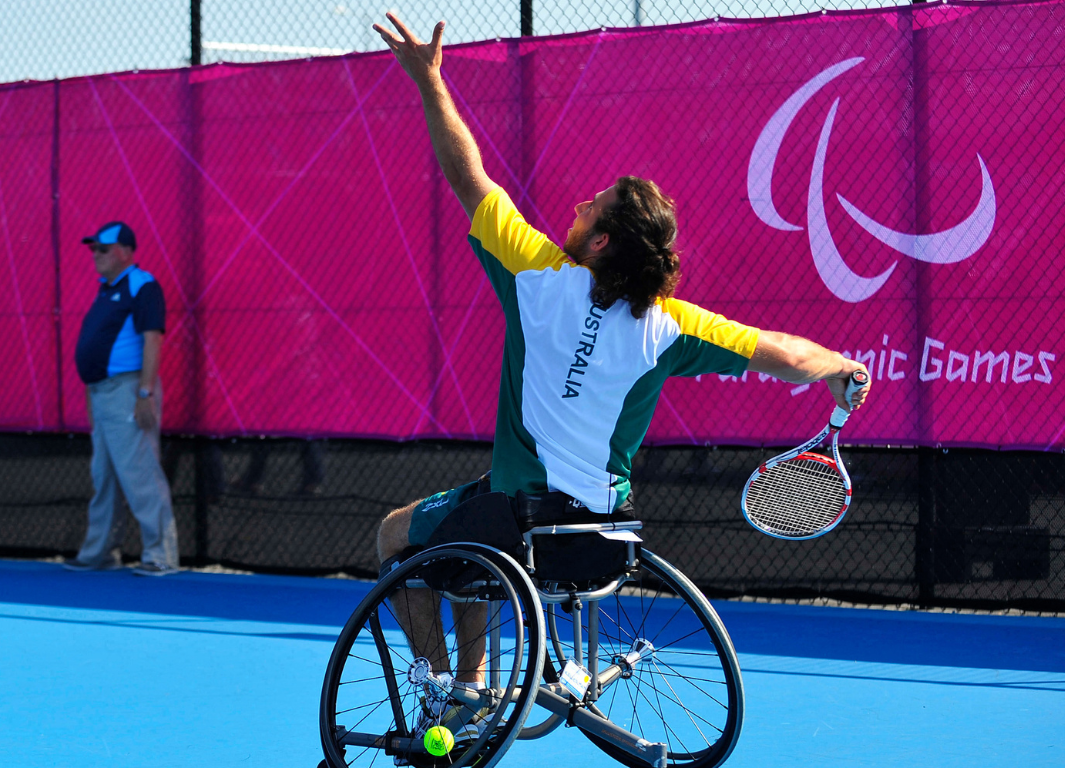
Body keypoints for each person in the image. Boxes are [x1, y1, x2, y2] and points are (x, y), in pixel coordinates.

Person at [369, 12, 872, 736]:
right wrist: (839, 368)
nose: (575, 206)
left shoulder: (538, 275)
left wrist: (429, 81)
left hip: (521, 527)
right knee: (470, 519)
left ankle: (453, 688)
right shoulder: (668, 324)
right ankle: (475, 689)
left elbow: (465, 173)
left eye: (589, 207)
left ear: (599, 241)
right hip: (605, 539)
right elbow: (783, 353)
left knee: (397, 537)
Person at [64, 221, 180, 576]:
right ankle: (100, 552)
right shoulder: (106, 288)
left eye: (102, 249)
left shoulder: (141, 285)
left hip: (127, 392)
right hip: (103, 395)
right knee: (105, 476)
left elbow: (152, 340)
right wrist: (90, 393)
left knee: (140, 474)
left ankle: (161, 555)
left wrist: (144, 392)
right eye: (93, 249)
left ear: (125, 251)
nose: (95, 255)